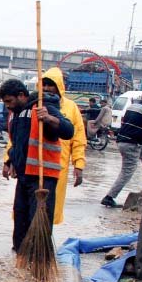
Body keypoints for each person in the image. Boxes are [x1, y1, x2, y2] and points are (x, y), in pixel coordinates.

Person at [0, 78, 75, 252]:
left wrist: (48, 118)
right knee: (20, 221)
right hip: (24, 176)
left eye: (9, 101)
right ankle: (20, 261)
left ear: (21, 95)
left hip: (43, 176)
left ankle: (40, 261)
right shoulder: (15, 115)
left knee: (39, 221)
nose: (8, 106)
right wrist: (10, 160)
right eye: (5, 103)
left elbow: (68, 130)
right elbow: (18, 143)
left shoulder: (43, 106)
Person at [101, 89, 142, 208]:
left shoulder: (132, 106)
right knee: (127, 171)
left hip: (125, 141)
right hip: (132, 143)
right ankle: (109, 197)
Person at [42, 67, 86, 225]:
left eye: (50, 85)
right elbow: (17, 135)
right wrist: (9, 160)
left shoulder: (70, 107)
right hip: (34, 166)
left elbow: (78, 138)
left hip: (59, 167)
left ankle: (45, 239)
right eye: (44, 84)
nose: (47, 88)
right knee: (28, 207)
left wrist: (79, 165)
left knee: (51, 208)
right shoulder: (34, 105)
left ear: (59, 86)